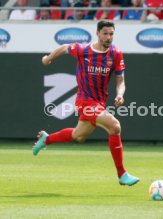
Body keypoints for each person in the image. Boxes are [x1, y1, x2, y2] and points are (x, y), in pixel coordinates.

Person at [33, 20, 140, 187]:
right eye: (105, 33)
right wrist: (48, 58)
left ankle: (46, 139)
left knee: (79, 135)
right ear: (97, 33)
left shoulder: (116, 54)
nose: (108, 37)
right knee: (115, 126)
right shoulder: (83, 50)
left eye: (111, 34)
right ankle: (122, 174)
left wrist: (120, 94)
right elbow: (64, 48)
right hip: (84, 101)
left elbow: (121, 80)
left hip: (99, 103)